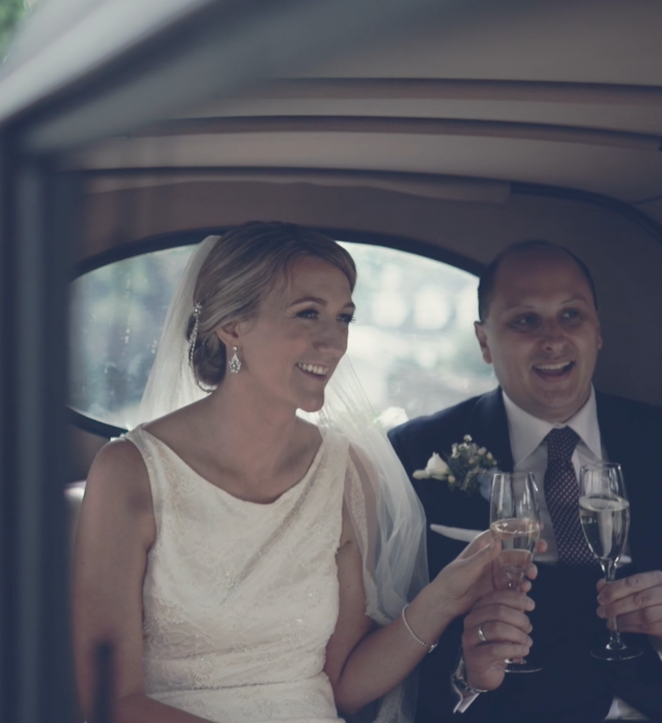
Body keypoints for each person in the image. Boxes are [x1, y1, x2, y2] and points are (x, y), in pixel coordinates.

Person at [72, 223, 529, 723]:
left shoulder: (346, 471)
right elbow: (111, 702)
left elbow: (345, 688)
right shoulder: (131, 471)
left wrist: (442, 598)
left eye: (343, 318)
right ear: (232, 327)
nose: (334, 343)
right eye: (308, 313)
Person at [389, 240, 662, 723]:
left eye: (571, 315)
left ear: (598, 330)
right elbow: (389, 635)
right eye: (525, 321)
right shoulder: (415, 452)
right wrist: (466, 674)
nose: (553, 339)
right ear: (484, 342)